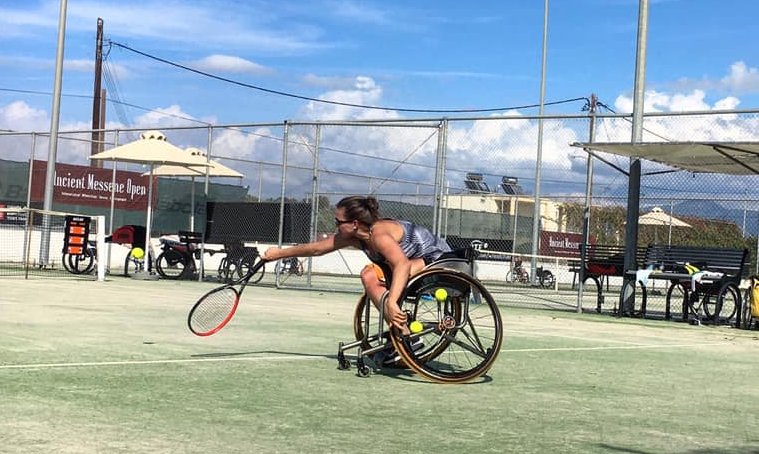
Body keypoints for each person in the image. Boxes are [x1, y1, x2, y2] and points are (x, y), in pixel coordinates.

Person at [262, 195, 451, 330]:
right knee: (368, 274)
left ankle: (401, 329)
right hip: (410, 265)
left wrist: (392, 301)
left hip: (437, 259)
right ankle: (404, 333)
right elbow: (317, 248)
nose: (335, 225)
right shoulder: (355, 237)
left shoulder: (379, 235)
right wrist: (278, 253)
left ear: (354, 224)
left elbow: (401, 264)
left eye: (338, 222)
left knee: (401, 274)